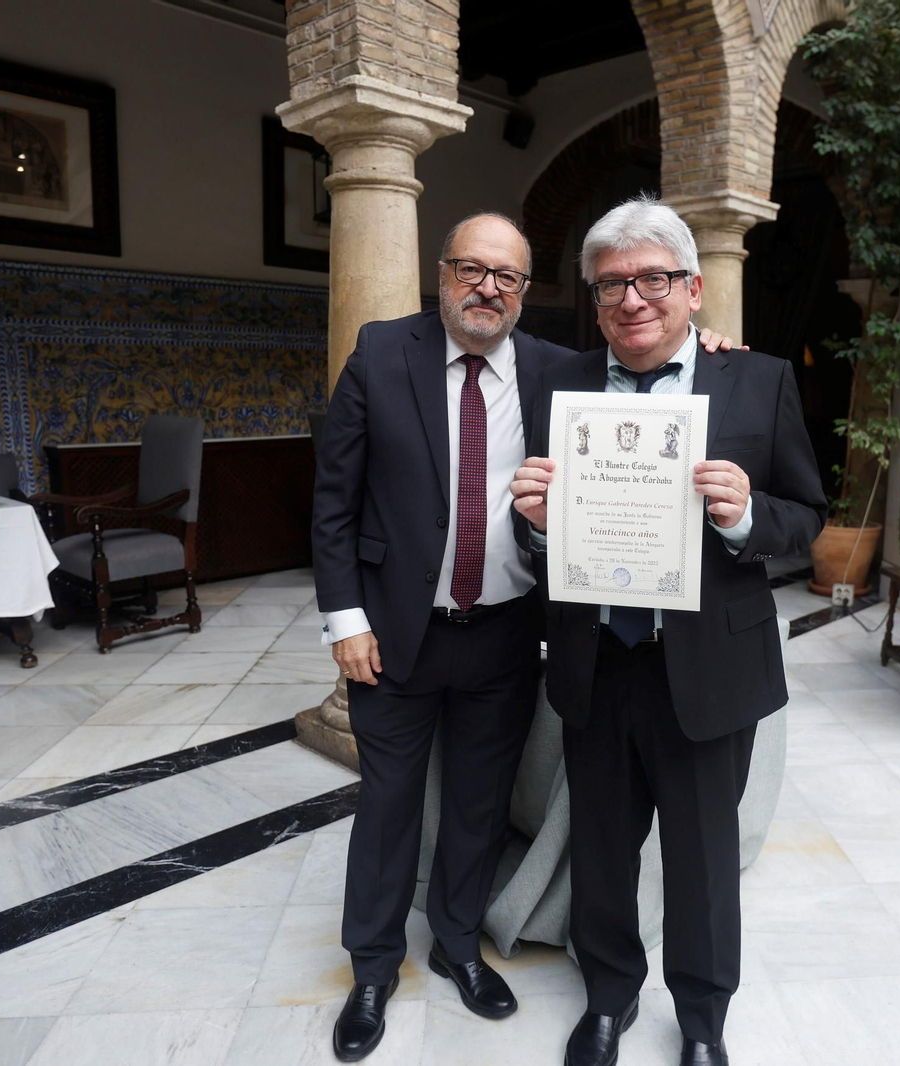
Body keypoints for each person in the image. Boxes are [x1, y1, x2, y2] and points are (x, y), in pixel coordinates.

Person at [313, 211, 740, 1062]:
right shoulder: (380, 352)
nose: (487, 288)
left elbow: (654, 364)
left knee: (476, 804)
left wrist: (710, 335)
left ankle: (460, 947)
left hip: (507, 634)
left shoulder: (559, 371)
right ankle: (371, 968)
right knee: (390, 805)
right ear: (442, 273)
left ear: (525, 291)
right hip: (394, 635)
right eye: (472, 269)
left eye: (507, 277)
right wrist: (345, 620)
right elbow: (333, 498)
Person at [511, 195, 826, 1066]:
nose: (632, 300)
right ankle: (607, 999)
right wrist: (534, 522)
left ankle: (701, 1021)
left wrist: (746, 515)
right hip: (599, 659)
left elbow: (808, 514)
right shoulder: (559, 386)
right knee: (604, 850)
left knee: (701, 859)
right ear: (594, 298)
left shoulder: (757, 380)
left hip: (708, 668)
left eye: (653, 279)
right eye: (612, 284)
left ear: (693, 290)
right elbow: (531, 525)